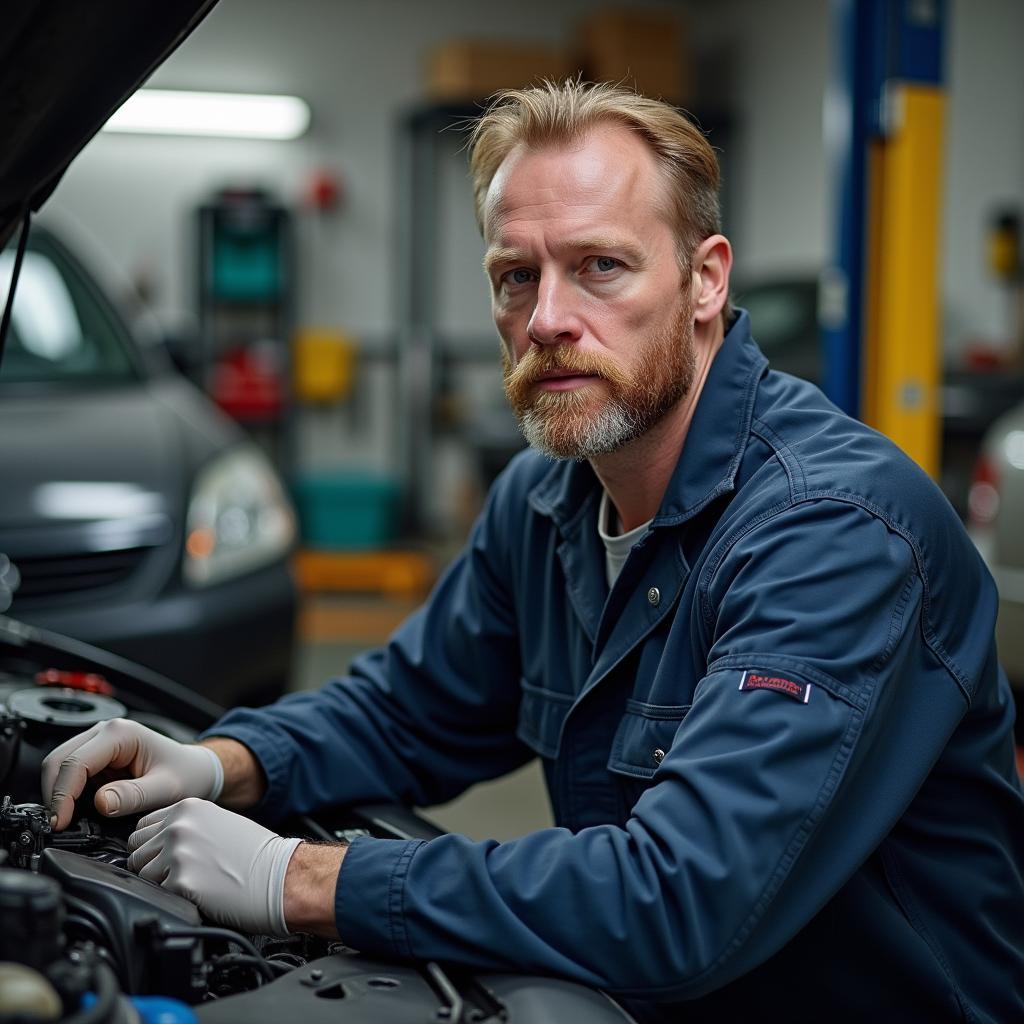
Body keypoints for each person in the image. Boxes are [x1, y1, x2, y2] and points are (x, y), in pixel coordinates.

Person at [42, 81, 1024, 1022]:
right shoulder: (549, 495)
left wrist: (296, 876)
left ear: (704, 280)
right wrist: (218, 763)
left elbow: (680, 898)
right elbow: (404, 710)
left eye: (599, 265)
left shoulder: (832, 530)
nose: (548, 318)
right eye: (516, 275)